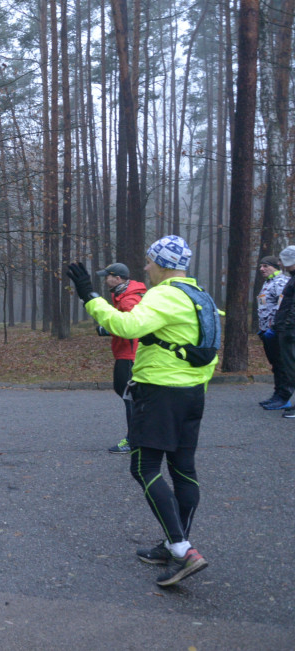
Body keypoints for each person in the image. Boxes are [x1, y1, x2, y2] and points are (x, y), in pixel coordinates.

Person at [67, 235, 216, 587]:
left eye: (150, 262)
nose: (146, 268)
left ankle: (182, 549)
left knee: (143, 466)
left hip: (161, 392)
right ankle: (173, 543)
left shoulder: (166, 293)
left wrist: (90, 296)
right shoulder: (201, 297)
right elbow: (206, 351)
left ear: (163, 264)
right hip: (192, 394)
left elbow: (126, 326)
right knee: (183, 469)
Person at [94, 263, 147, 454]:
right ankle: (140, 437)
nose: (105, 279)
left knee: (130, 398)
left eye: (107, 276)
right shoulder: (123, 295)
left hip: (130, 355)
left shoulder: (128, 299)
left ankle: (134, 441)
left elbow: (131, 326)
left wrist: (107, 329)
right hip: (127, 354)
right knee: (128, 395)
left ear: (117, 279)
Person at [257, 255, 292, 409]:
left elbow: (283, 306)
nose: (261, 269)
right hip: (267, 331)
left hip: (278, 331)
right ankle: (277, 394)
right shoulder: (268, 283)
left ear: (275, 266)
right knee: (275, 365)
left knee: (282, 364)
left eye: (265, 266)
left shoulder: (281, 282)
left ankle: (284, 398)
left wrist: (275, 328)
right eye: (260, 266)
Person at [272, 246, 295, 418]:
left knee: (292, 368)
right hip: (287, 330)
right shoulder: (292, 278)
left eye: (283, 261)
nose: (280, 264)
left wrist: (287, 326)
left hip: (291, 332)